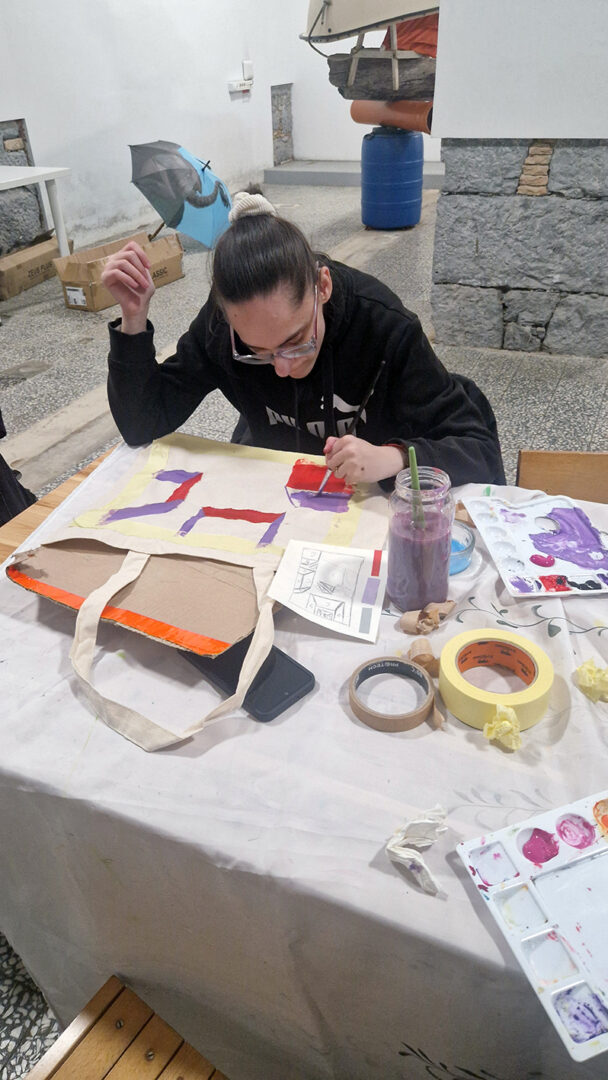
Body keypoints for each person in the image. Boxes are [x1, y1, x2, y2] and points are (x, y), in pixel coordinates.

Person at [102, 191, 505, 489]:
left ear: (322, 287)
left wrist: (393, 457)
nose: (282, 368)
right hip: (281, 488)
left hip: (368, 500)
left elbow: (478, 450)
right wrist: (133, 320)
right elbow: (141, 424)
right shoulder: (221, 328)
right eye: (257, 352)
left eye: (296, 340)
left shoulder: (383, 325)